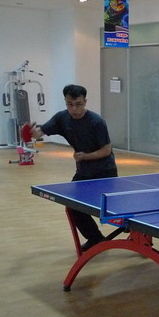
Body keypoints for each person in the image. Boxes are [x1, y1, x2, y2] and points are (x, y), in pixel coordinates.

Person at [29, 84, 118, 251]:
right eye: (70, 104)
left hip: (105, 171)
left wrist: (85, 156)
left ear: (85, 102)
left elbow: (106, 150)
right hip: (83, 171)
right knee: (73, 206)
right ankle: (96, 238)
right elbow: (41, 132)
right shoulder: (62, 118)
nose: (74, 109)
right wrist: (33, 132)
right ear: (65, 102)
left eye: (78, 104)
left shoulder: (96, 122)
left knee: (109, 209)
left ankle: (137, 233)